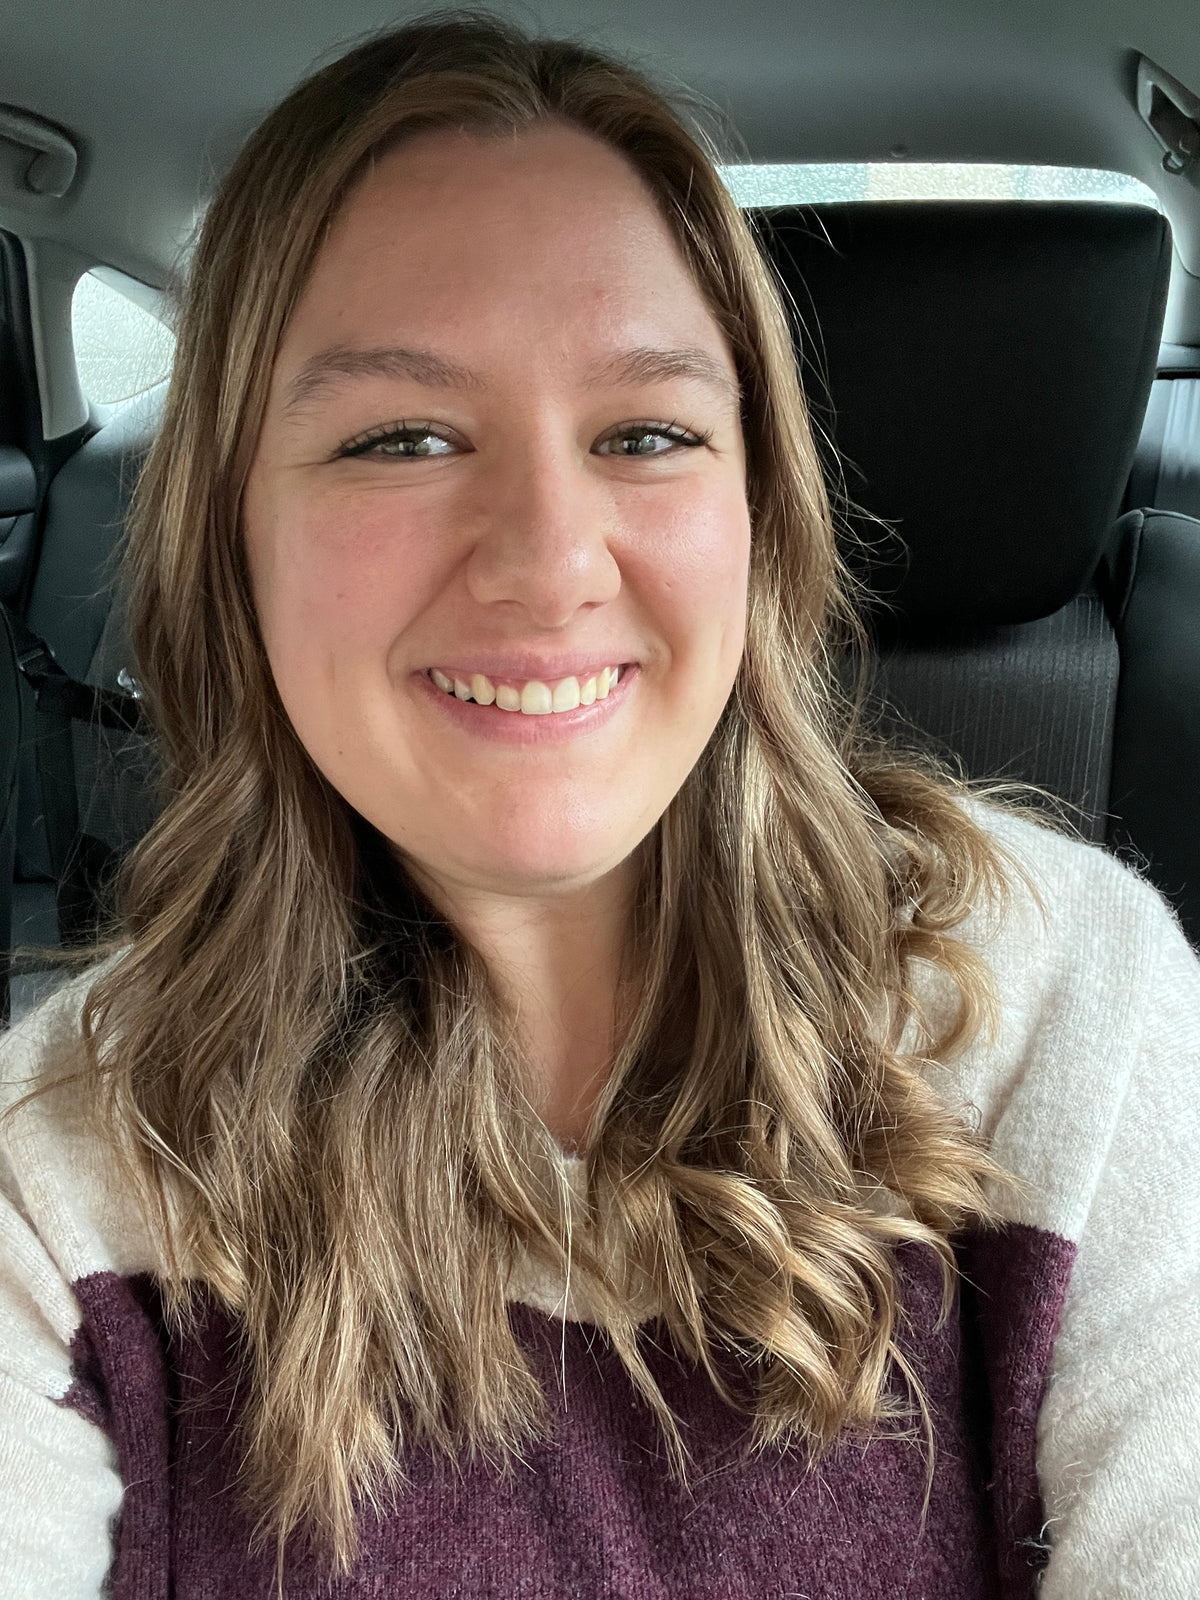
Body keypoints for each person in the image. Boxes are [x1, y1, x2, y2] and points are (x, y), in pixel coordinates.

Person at [0, 11, 1197, 1599]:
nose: (551, 561)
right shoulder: (63, 1170)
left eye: (646, 433)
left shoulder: (1076, 1016)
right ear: (233, 540)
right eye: (402, 438)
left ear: (757, 519)